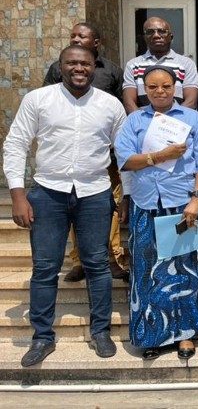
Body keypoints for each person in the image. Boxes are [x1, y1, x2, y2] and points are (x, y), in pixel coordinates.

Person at [3, 45, 125, 366]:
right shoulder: (38, 100)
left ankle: (101, 331)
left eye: (84, 63)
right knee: (45, 268)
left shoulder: (110, 105)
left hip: (95, 194)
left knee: (97, 265)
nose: (78, 68)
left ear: (94, 66)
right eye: (71, 62)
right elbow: (16, 143)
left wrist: (126, 195)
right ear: (61, 66)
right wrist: (18, 193)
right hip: (48, 193)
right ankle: (42, 337)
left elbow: (124, 153)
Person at [114, 65, 198, 360]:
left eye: (166, 86)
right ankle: (151, 335)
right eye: (153, 87)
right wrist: (159, 156)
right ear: (144, 89)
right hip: (147, 204)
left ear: (176, 87)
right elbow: (125, 160)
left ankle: (185, 335)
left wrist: (196, 199)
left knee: (186, 270)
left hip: (182, 205)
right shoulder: (135, 121)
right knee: (146, 271)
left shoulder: (193, 118)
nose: (160, 91)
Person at [42, 22, 128, 283]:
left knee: (110, 209)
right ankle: (79, 261)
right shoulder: (58, 68)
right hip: (69, 158)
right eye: (73, 36)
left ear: (96, 43)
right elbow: (46, 102)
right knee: (75, 209)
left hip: (105, 159)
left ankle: (113, 258)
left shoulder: (112, 70)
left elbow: (120, 113)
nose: (77, 39)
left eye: (83, 36)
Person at [122, 17, 198, 114]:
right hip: (143, 125)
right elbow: (129, 103)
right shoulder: (133, 65)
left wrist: (167, 124)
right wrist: (143, 123)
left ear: (171, 36)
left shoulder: (186, 64)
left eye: (162, 31)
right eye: (150, 32)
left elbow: (191, 101)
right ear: (144, 37)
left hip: (177, 125)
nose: (156, 35)